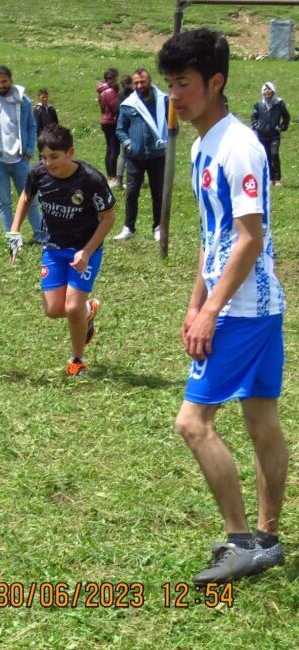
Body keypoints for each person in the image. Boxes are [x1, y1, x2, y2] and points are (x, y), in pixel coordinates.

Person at [159, 28, 288, 585]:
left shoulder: (240, 146)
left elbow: (248, 238)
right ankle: (267, 538)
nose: (175, 96)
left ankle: (240, 541)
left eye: (184, 84)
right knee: (261, 420)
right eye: (169, 85)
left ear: (216, 82)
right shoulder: (199, 145)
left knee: (193, 422)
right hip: (241, 304)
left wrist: (212, 310)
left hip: (242, 309)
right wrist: (194, 304)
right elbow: (211, 238)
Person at [6, 124, 115, 377]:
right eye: (43, 157)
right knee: (54, 310)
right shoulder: (38, 175)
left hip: (85, 252)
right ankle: (89, 311)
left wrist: (86, 252)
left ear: (70, 152)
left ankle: (77, 360)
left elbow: (108, 218)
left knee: (72, 307)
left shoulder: (91, 180)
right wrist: (14, 231)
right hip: (54, 248)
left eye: (54, 157)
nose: (48, 163)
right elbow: (26, 198)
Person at [0, 65, 44, 241]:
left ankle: (40, 234)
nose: (1, 85)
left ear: (11, 80)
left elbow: (31, 125)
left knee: (30, 197)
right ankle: (12, 237)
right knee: (4, 201)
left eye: (4, 81)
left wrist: (29, 150)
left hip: (20, 159)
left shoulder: (23, 101)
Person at [114, 68, 169, 242]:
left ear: (149, 81)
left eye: (142, 82)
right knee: (131, 193)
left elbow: (172, 122)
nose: (138, 85)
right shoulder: (129, 104)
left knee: (158, 192)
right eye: (136, 82)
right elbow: (120, 129)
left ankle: (158, 227)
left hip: (157, 155)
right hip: (135, 157)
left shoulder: (163, 101)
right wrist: (128, 143)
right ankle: (128, 228)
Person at [252, 81, 290, 187]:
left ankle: (277, 179)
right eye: (265, 90)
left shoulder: (279, 103)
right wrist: (256, 126)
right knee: (266, 156)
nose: (267, 92)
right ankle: (269, 178)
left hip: (274, 135)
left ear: (273, 91)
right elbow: (254, 116)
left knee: (274, 154)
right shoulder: (259, 104)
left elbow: (286, 117)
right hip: (262, 135)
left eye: (269, 90)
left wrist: (282, 127)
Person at [96, 68, 121, 188]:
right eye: (116, 77)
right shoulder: (110, 91)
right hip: (111, 121)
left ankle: (110, 177)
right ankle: (113, 177)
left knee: (110, 149)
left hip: (105, 120)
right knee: (114, 150)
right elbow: (116, 107)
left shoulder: (102, 90)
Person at [115, 75, 134, 191]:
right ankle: (138, 181)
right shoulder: (135, 95)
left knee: (123, 155)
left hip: (123, 127)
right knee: (134, 155)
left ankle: (119, 181)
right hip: (132, 127)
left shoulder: (119, 96)